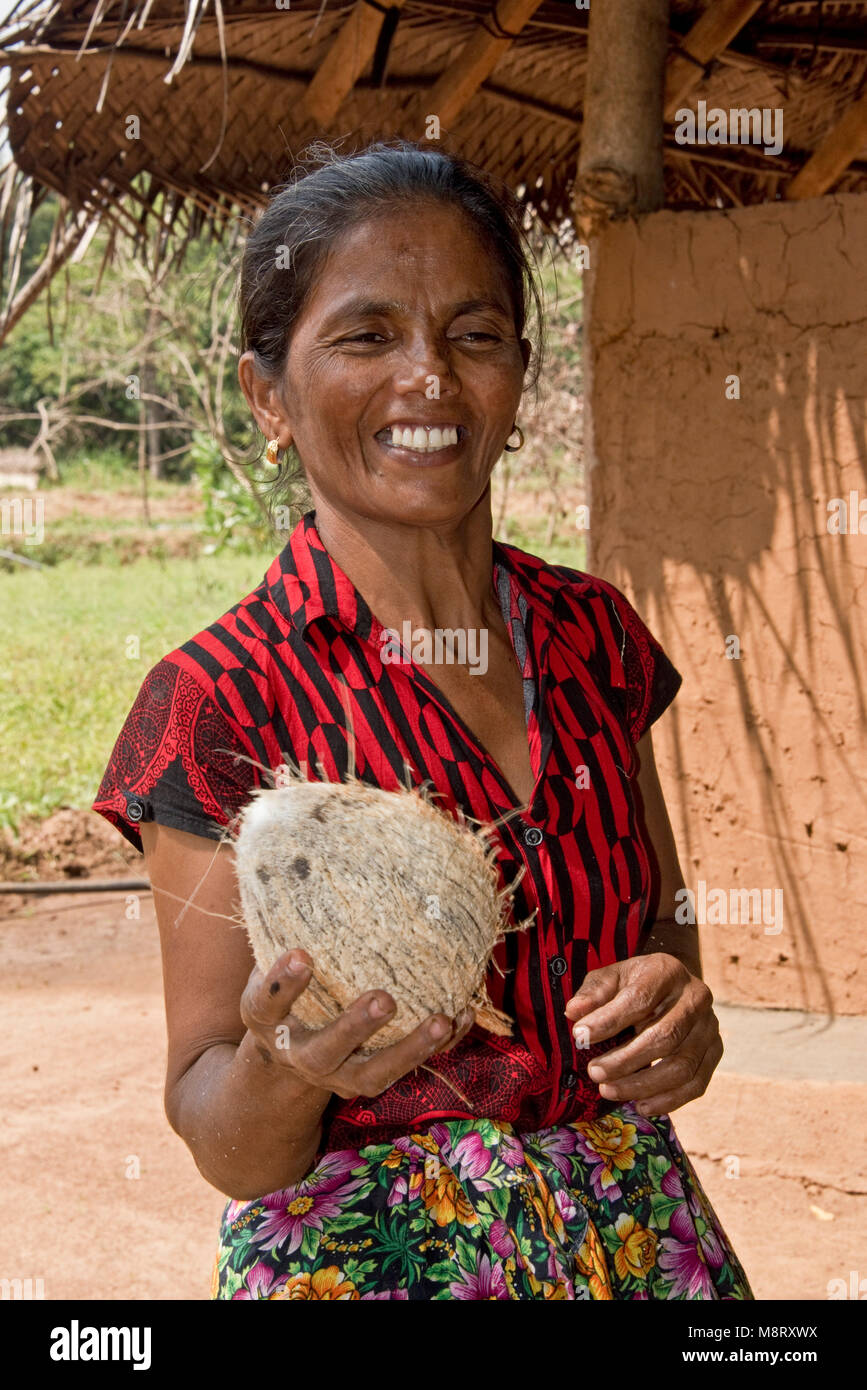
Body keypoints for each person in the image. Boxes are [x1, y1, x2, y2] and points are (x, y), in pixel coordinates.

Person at [93, 142, 753, 1302]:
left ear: (519, 371)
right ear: (269, 398)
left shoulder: (594, 635)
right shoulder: (216, 699)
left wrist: (677, 1010)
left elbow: (659, 915)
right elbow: (223, 1138)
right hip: (379, 1267)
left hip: (638, 1242)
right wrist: (284, 1066)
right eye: (367, 334)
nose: (431, 378)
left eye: (474, 333)